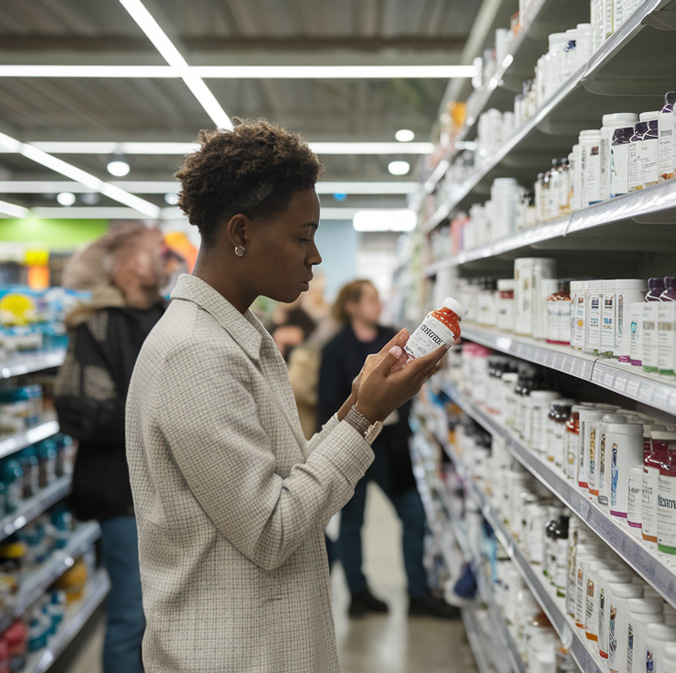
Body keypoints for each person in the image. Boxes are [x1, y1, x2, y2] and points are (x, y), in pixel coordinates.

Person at [125, 119, 449, 673]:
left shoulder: (239, 330)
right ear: (242, 232)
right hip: (232, 656)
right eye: (303, 236)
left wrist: (361, 407)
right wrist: (366, 414)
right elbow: (273, 529)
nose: (316, 256)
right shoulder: (195, 353)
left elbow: (288, 474)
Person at [54, 224, 167, 673]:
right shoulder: (94, 326)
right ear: (127, 265)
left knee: (161, 614)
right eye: (153, 252)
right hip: (121, 493)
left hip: (167, 489)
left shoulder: (171, 315)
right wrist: (158, 412)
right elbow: (80, 412)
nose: (164, 260)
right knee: (131, 611)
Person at [320, 280, 459, 619]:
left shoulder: (395, 339)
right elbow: (329, 399)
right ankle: (357, 592)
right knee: (352, 522)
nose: (378, 304)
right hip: (356, 442)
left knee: (414, 513)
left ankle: (418, 593)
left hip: (391, 446)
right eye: (370, 299)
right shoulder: (336, 348)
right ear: (352, 306)